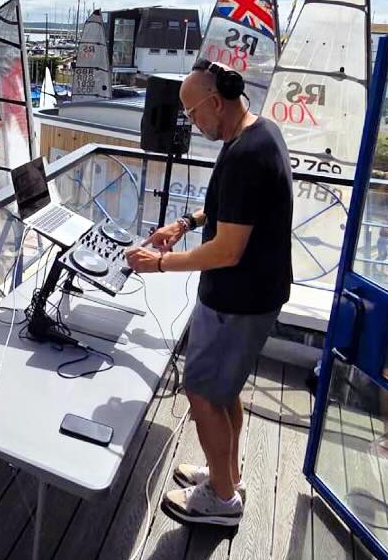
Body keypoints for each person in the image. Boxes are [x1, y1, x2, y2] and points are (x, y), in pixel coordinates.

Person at [125, 58, 293, 528]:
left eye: (194, 114)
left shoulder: (244, 154)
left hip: (238, 299)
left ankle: (221, 500)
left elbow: (227, 250)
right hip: (254, 295)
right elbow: (226, 209)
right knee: (224, 391)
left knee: (201, 393)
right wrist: (185, 224)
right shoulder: (256, 132)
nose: (193, 125)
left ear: (215, 102)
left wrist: (158, 263)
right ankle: (228, 473)